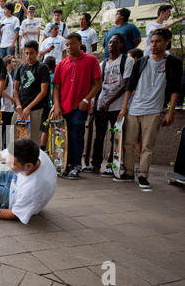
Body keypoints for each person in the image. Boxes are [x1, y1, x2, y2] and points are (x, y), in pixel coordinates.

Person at [114, 29, 182, 188]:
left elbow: (175, 89)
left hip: (154, 110)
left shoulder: (173, 62)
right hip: (134, 108)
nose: (153, 45)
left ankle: (143, 174)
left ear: (167, 42)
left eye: (158, 41)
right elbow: (129, 86)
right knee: (128, 142)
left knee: (147, 145)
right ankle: (128, 172)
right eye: (151, 41)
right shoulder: (141, 62)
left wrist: (171, 111)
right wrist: (124, 108)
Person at [51, 33, 102, 180]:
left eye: (72, 44)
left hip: (79, 107)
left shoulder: (91, 60)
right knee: (62, 138)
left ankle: (75, 166)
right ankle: (64, 165)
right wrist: (57, 105)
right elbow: (56, 88)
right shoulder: (61, 63)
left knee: (76, 136)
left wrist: (86, 101)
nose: (69, 47)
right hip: (63, 107)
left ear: (80, 43)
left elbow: (97, 83)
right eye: (67, 44)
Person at [84, 34, 135, 177]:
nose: (111, 45)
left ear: (121, 45)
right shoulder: (103, 64)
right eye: (110, 43)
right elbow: (98, 86)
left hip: (117, 107)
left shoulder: (127, 61)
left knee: (115, 137)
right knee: (99, 136)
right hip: (101, 106)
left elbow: (125, 85)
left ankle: (112, 165)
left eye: (115, 43)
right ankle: (95, 164)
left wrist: (109, 102)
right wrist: (95, 106)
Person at [13, 40, 50, 144]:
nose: (29, 56)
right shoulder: (21, 68)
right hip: (19, 109)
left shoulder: (42, 67)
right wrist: (18, 105)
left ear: (37, 52)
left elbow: (43, 92)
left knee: (30, 141)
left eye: (31, 53)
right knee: (14, 137)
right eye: (26, 53)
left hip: (35, 109)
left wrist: (28, 108)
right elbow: (15, 89)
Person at [40, 56, 56, 151]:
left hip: (44, 106)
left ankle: (42, 150)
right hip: (51, 106)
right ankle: (51, 150)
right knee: (53, 129)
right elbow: (52, 90)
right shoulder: (53, 76)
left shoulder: (43, 77)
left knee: (44, 129)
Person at [1, 55, 16, 148]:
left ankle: (6, 147)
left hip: (9, 107)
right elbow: (0, 90)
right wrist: (10, 98)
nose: (15, 63)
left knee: (8, 129)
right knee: (3, 129)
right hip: (5, 107)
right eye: (13, 61)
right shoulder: (5, 75)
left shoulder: (10, 75)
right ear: (7, 63)